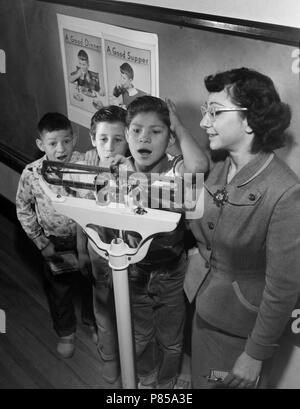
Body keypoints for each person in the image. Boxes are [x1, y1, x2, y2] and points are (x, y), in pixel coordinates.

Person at [183, 67, 300, 388]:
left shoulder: (285, 192)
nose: (205, 121)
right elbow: (194, 213)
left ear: (250, 120)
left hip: (241, 332)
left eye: (215, 112)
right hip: (203, 308)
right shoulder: (218, 164)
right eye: (206, 111)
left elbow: (284, 287)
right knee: (201, 383)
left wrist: (256, 353)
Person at [121, 95, 208, 388]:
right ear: (126, 134)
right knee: (141, 334)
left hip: (171, 270)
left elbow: (198, 165)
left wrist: (180, 128)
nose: (144, 136)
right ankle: (146, 378)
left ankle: (168, 381)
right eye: (136, 130)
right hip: (133, 270)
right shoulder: (120, 169)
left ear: (169, 137)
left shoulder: (175, 168)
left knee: (171, 338)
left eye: (156, 131)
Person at [16, 112, 97, 359]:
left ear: (75, 138)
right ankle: (65, 331)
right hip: (55, 242)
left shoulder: (85, 163)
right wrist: (42, 243)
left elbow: (108, 171)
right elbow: (23, 208)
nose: (61, 149)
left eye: (66, 141)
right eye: (52, 143)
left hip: (88, 238)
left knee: (91, 285)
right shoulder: (31, 173)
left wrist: (99, 156)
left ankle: (93, 322)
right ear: (41, 144)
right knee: (59, 290)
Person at [76, 106, 129, 384]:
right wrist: (82, 250)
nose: (110, 146)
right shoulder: (84, 169)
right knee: (103, 306)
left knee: (132, 308)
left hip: (131, 255)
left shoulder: (135, 169)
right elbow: (79, 216)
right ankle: (109, 357)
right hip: (99, 254)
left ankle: (133, 356)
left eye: (118, 139)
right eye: (104, 139)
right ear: (93, 138)